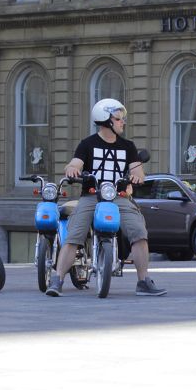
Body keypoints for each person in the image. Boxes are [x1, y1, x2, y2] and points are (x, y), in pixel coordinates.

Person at [46, 98, 166, 297]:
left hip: (119, 196)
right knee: (74, 234)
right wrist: (72, 170)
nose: (123, 123)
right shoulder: (87, 144)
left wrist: (136, 177)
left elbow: (138, 171)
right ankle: (58, 279)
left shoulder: (128, 146)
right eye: (119, 119)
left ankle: (143, 281)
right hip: (92, 195)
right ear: (106, 120)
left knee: (139, 231)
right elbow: (74, 164)